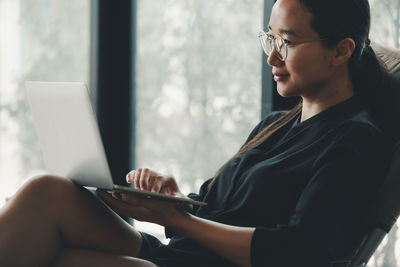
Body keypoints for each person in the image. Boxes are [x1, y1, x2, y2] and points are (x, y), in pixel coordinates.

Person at [0, 0, 394, 266]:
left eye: (287, 42)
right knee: (45, 192)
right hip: (182, 255)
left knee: (55, 251)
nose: (272, 55)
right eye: (271, 37)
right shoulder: (275, 126)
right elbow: (218, 210)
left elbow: (303, 250)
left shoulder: (354, 141)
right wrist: (171, 201)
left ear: (341, 51)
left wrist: (181, 220)